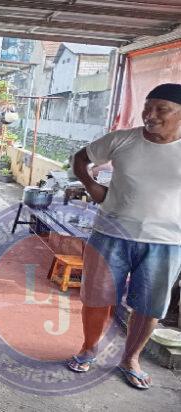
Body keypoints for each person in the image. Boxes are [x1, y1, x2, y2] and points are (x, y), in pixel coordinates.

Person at [67, 83, 181, 390]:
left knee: (149, 306)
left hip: (168, 241)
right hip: (110, 233)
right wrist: (92, 187)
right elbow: (80, 158)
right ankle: (88, 348)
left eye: (162, 109)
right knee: (97, 297)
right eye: (147, 107)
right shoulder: (122, 140)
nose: (150, 115)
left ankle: (130, 358)